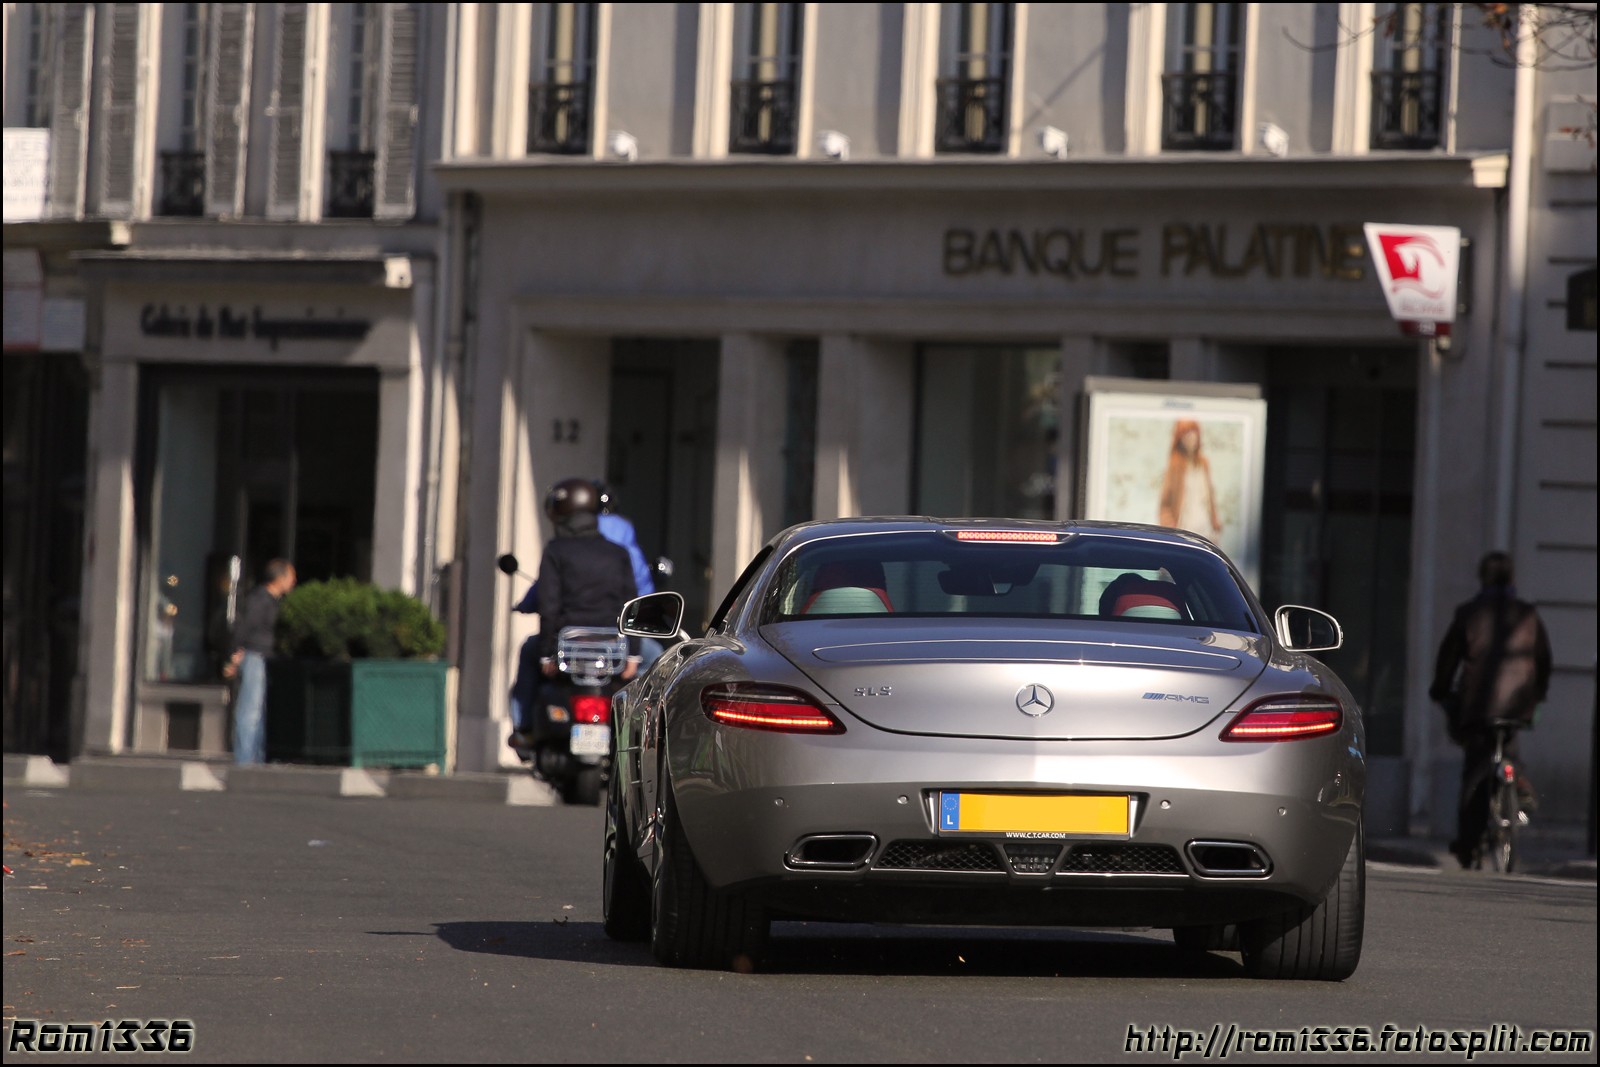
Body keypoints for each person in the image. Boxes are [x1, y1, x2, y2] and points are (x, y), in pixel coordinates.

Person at [1429, 551, 1552, 868]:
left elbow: (1448, 660)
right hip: (1518, 706)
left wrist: (1441, 690)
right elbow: (1544, 661)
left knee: (1475, 772)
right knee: (1508, 749)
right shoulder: (1528, 615)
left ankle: (1468, 845)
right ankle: (1519, 784)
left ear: (1482, 578)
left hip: (1480, 708)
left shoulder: (1469, 613)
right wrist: (1536, 696)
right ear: (1512, 580)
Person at [508, 479, 639, 756]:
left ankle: (524, 729)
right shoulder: (618, 553)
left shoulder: (556, 551)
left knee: (527, 652)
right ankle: (643, 738)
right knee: (656, 664)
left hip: (567, 646)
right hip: (613, 647)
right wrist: (633, 655)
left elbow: (549, 607)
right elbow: (632, 606)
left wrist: (546, 654)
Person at [225, 558, 297, 765]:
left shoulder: (274, 602)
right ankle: (246, 759)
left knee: (260, 711)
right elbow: (243, 627)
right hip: (256, 656)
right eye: (291, 576)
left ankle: (257, 756)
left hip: (266, 658)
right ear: (279, 578)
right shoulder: (260, 600)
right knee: (251, 709)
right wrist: (234, 654)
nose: (294, 581)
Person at [1157, 418, 1221, 539]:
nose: (1190, 437)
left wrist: (1215, 521)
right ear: (1179, 438)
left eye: (1193, 433)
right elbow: (1164, 503)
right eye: (1186, 434)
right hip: (1184, 529)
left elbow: (1210, 497)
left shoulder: (1203, 463)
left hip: (1206, 528)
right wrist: (1169, 526)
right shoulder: (1174, 466)